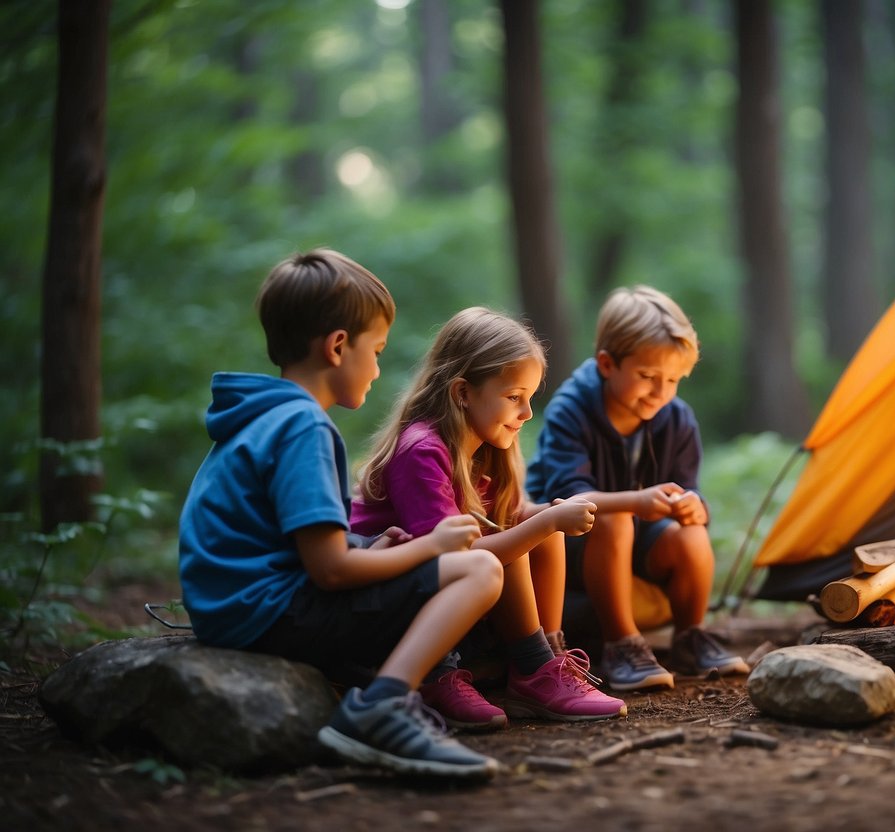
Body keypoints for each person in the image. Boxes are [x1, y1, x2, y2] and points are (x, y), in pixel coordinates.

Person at [178, 249, 502, 780]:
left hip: (231, 608)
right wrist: (431, 545)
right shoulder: (304, 427)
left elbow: (290, 542)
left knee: (415, 563)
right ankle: (380, 707)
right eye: (375, 351)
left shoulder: (261, 415)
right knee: (480, 569)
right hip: (266, 613)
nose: (377, 368)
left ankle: (374, 691)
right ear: (337, 347)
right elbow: (327, 572)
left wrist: (366, 551)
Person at [351, 307, 627, 727]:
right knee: (531, 530)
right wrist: (543, 523)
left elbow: (505, 524)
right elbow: (446, 559)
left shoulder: (485, 452)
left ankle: (542, 664)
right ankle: (437, 674)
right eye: (515, 397)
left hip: (458, 598)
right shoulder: (422, 450)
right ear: (463, 392)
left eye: (530, 398)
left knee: (536, 524)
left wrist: (546, 519)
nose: (527, 412)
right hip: (388, 607)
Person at [525, 286, 750, 692]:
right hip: (563, 543)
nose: (661, 392)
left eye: (673, 380)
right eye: (647, 377)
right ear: (608, 365)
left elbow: (688, 488)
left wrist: (693, 506)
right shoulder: (571, 410)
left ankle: (690, 636)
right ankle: (621, 646)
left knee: (689, 534)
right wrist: (635, 502)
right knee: (613, 520)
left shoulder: (675, 418)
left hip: (638, 542)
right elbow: (569, 500)